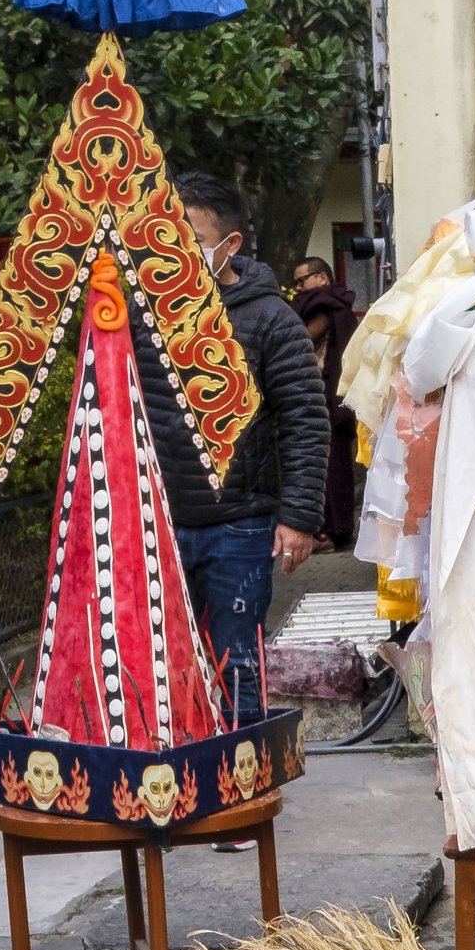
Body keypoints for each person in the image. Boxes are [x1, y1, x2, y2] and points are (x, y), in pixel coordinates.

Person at [132, 173, 330, 726]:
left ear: (230, 245)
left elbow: (305, 423)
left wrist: (298, 519)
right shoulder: (138, 314)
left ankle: (243, 786)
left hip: (240, 528)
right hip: (159, 527)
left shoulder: (271, 321)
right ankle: (172, 782)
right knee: (163, 662)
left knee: (235, 664)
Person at [288, 253, 364, 553]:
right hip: (320, 399)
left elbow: (302, 339)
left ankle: (334, 532)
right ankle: (330, 529)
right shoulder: (325, 305)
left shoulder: (326, 305)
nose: (298, 290)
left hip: (329, 401)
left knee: (333, 470)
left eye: (302, 281)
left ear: (321, 279)